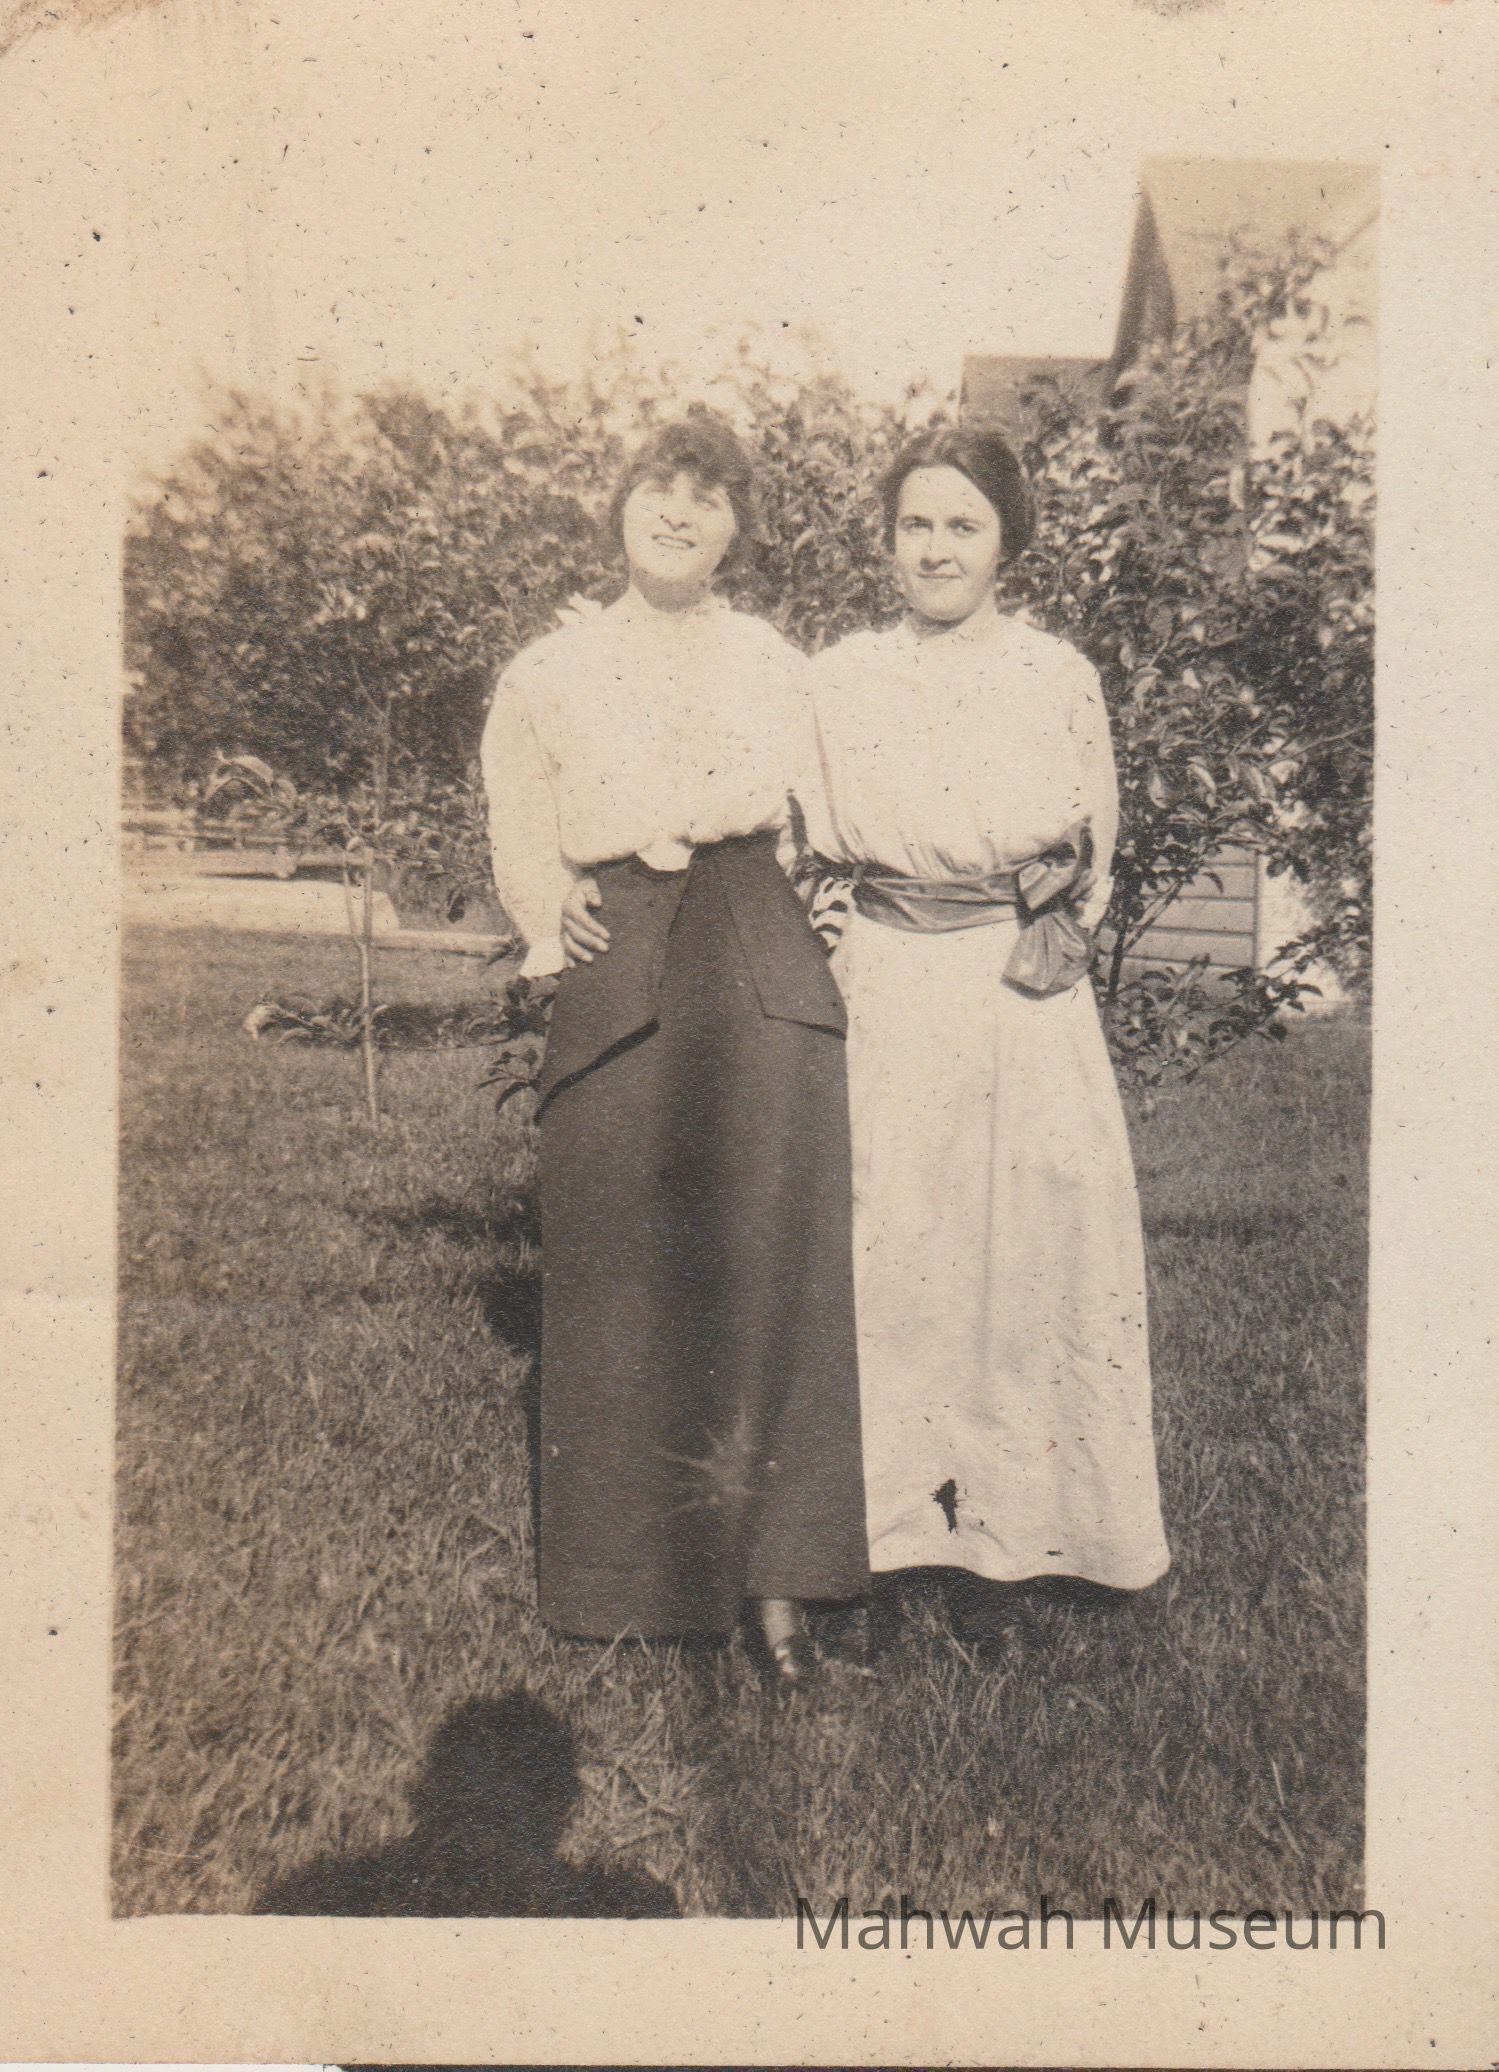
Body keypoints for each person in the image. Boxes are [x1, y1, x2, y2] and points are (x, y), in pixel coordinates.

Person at [480, 413, 867, 1685]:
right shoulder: (550, 669)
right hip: (623, 951)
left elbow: (826, 819)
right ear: (618, 506)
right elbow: (518, 813)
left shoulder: (776, 663)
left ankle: (776, 1586)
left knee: (770, 1253)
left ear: (736, 530)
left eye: (708, 497)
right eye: (659, 487)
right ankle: (625, 1586)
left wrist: (813, 921)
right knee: (616, 1255)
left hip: (753, 942)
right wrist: (551, 904)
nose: (679, 512)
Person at [803, 426, 1170, 1631]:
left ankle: (1023, 1538)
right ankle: (891, 1534)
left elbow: (1091, 846)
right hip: (886, 984)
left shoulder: (1052, 674)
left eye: (961, 525)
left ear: (1007, 539)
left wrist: (1037, 931)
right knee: (895, 1246)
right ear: (885, 539)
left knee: (1022, 1250)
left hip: (1014, 991)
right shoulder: (840, 676)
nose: (934, 549)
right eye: (913, 524)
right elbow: (803, 834)